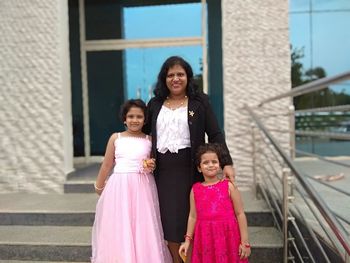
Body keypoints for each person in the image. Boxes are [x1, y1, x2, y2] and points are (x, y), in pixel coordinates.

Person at [143, 56, 235, 262]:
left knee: (192, 218)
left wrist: (227, 163)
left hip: (191, 170)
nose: (175, 79)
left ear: (188, 77)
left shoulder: (199, 101)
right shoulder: (155, 104)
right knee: (170, 221)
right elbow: (144, 134)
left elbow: (215, 133)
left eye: (180, 74)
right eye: (171, 75)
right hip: (164, 172)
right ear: (164, 79)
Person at [91, 99, 172, 263]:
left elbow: (152, 163)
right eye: (131, 116)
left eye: (139, 117)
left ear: (145, 119)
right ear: (124, 119)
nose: (135, 120)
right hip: (120, 186)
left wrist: (150, 165)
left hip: (143, 187)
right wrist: (99, 185)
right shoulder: (116, 138)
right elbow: (107, 164)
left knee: (143, 223)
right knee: (121, 223)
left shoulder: (149, 140)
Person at [179, 143, 251, 263]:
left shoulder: (229, 186)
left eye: (214, 161)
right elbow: (192, 216)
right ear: (199, 168)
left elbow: (240, 214)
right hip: (205, 240)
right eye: (206, 163)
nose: (210, 165)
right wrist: (187, 241)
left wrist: (245, 242)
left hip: (228, 238)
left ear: (219, 165)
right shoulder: (195, 189)